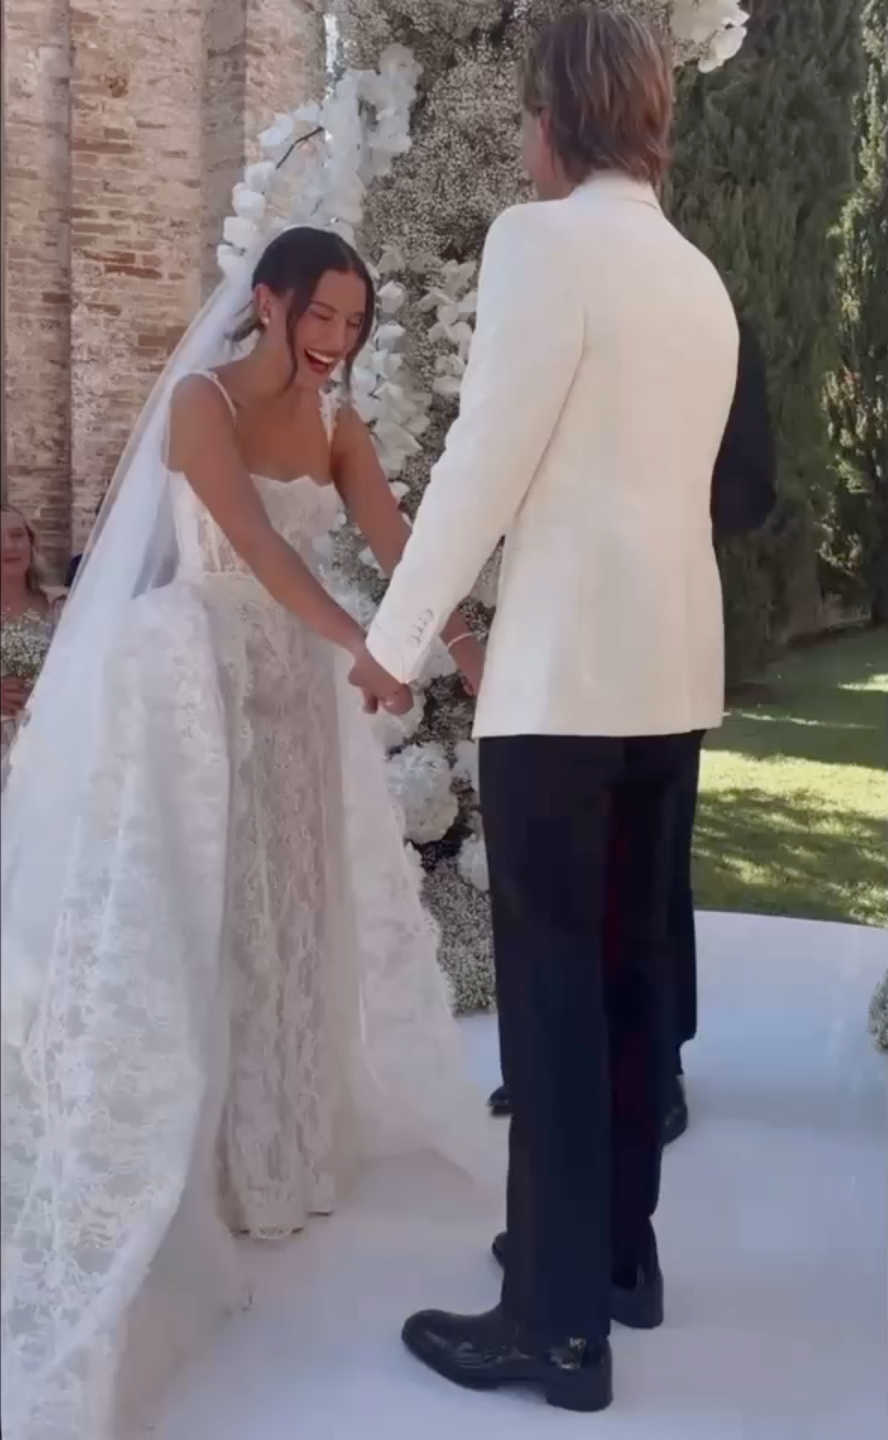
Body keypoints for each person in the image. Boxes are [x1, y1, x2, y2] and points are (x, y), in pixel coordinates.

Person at [0, 226, 492, 1440]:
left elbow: (398, 539)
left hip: (299, 697)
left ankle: (285, 1153)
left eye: (354, 323)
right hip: (200, 686)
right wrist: (364, 647)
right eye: (321, 315)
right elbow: (261, 549)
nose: (337, 340)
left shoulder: (336, 422)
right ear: (267, 302)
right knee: (210, 913)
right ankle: (204, 1165)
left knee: (296, 907)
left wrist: (470, 648)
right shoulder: (202, 406)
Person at [349, 7, 740, 1412]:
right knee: (632, 982)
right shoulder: (699, 275)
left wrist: (397, 641)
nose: (520, 133)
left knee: (557, 997)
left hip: (565, 683)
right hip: (669, 678)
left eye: (528, 109)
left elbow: (481, 468)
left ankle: (552, 1323)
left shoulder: (543, 244)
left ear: (557, 116)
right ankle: (618, 1262)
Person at [487, 316, 777, 1139]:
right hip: (551, 632)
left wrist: (653, 518)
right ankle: (546, 1070)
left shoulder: (712, 323)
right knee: (543, 872)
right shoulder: (555, 319)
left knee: (652, 867)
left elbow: (750, 484)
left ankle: (658, 1070)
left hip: (657, 630)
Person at [0, 505, 64, 782]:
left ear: (31, 543)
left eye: (17, 535)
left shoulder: (63, 606)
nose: (8, 546)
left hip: (52, 745)